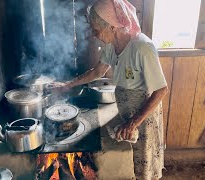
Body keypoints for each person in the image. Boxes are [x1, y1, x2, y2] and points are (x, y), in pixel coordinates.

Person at [50, 0, 168, 179]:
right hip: (127, 111)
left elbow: (161, 90)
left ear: (112, 27)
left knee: (145, 163)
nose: (94, 34)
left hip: (144, 115)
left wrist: (134, 122)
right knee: (130, 160)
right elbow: (98, 71)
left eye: (96, 29)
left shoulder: (142, 47)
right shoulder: (110, 44)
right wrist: (67, 85)